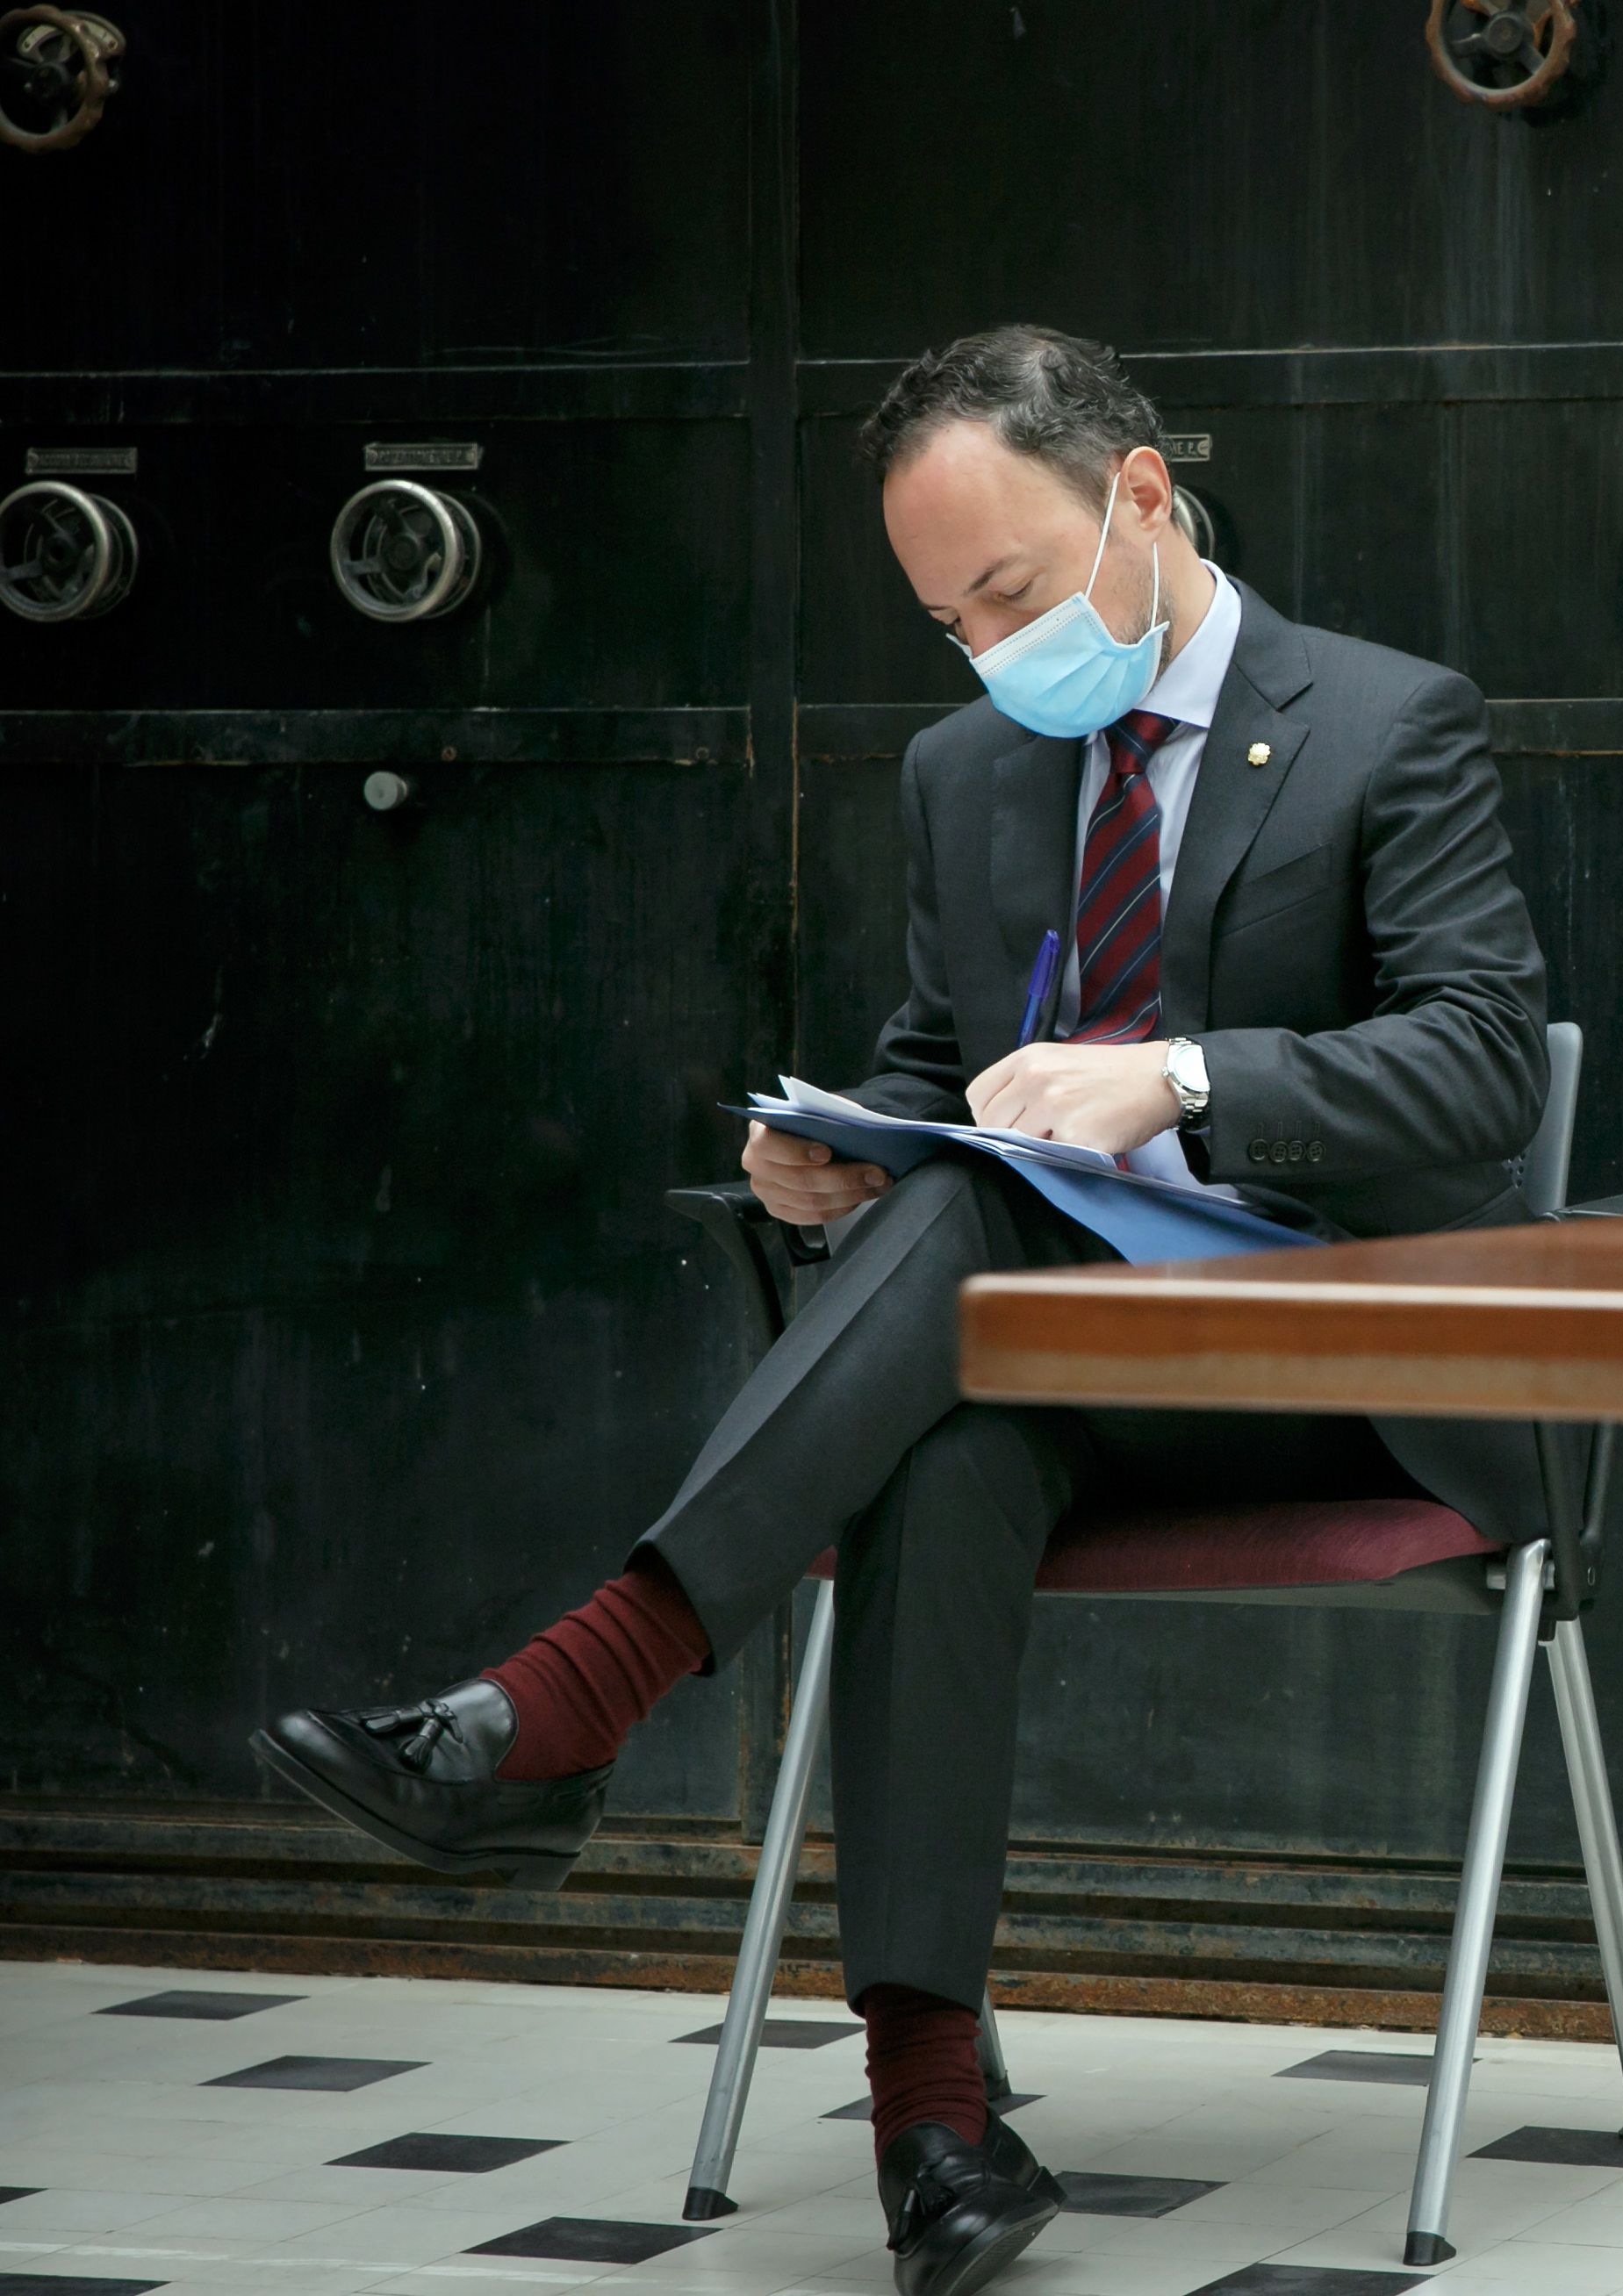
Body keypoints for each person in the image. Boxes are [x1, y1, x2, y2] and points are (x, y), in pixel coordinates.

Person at [249, 325, 1553, 2296]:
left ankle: (584, 1693)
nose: (988, 650)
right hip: (1046, 1348)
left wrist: (1182, 1078)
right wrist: (842, 1158)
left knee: (956, 1274)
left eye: (1010, 593)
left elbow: (1478, 1067)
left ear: (1138, 494)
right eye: (946, 621)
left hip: (1325, 1357)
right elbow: (942, 1074)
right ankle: (938, 2134)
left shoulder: (1391, 721)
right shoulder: (971, 767)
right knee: (949, 1407)